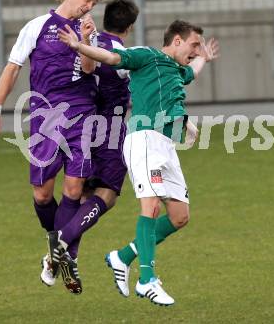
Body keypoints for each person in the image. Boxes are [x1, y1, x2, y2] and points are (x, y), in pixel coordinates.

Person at [58, 19, 219, 305]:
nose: (196, 50)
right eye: (194, 44)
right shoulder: (147, 56)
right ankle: (147, 280)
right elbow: (110, 57)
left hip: (166, 146)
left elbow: (191, 72)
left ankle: (123, 257)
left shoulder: (177, 70)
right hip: (144, 141)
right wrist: (78, 45)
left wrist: (203, 59)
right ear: (177, 41)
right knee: (152, 206)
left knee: (180, 216)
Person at [0, 0, 102, 295]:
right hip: (45, 119)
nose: (89, 8)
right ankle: (58, 251)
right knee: (42, 193)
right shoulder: (37, 27)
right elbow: (12, 69)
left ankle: (63, 258)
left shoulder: (87, 32)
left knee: (75, 190)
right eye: (88, 0)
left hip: (81, 115)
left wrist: (85, 43)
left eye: (95, 4)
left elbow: (92, 70)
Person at [43, 0, 139, 283]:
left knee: (82, 194)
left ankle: (61, 259)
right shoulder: (123, 55)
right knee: (106, 196)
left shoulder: (86, 40)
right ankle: (60, 246)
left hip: (80, 126)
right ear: (129, 27)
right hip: (109, 130)